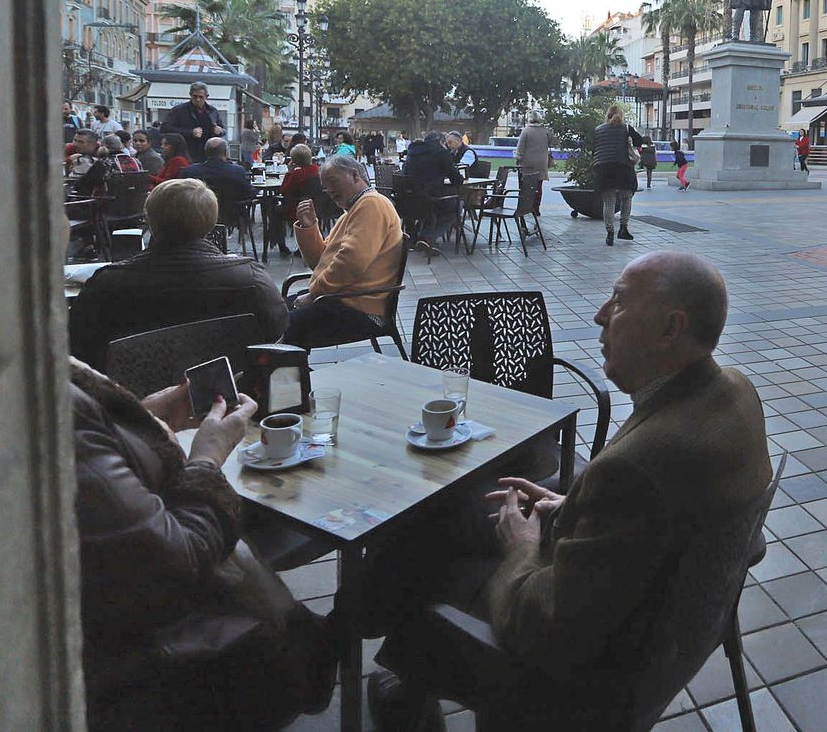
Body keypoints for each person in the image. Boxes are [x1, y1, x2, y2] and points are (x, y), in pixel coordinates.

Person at [368, 251, 770, 732]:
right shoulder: (733, 391)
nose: (600, 315)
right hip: (654, 623)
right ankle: (357, 631)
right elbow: (663, 522)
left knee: (423, 562)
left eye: (618, 301)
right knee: (455, 511)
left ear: (670, 329)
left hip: (589, 684)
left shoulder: (638, 466)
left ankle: (369, 655)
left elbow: (542, 631)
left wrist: (522, 547)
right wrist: (574, 508)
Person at [70, 358, 333, 730]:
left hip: (120, 621)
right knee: (306, 640)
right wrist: (208, 459)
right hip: (155, 664)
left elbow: (98, 475)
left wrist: (144, 423)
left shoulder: (39, 385)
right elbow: (179, 559)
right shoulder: (56, 407)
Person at [67, 179, 287, 368]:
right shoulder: (251, 279)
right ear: (211, 223)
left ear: (150, 221)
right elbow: (277, 333)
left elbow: (79, 350)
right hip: (232, 398)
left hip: (133, 407)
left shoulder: (106, 285)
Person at [285, 154, 405, 348]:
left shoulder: (372, 204)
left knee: (283, 323)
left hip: (362, 308)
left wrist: (315, 293)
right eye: (325, 185)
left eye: (333, 181)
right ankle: (291, 373)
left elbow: (351, 262)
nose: (329, 190)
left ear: (355, 175)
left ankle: (292, 374)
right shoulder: (352, 211)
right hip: (343, 298)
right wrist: (309, 227)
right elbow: (320, 261)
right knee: (274, 312)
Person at [403, 131, 463, 248]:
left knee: (429, 203)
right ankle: (427, 237)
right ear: (440, 142)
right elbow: (457, 179)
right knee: (456, 205)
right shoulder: (441, 153)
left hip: (407, 202)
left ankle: (413, 236)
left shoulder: (412, 152)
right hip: (431, 201)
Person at [180, 137, 256, 226]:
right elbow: (247, 193)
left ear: (205, 152)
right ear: (226, 152)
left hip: (199, 214)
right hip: (231, 215)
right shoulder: (237, 171)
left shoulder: (190, 171)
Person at [592, 104, 638, 244]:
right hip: (623, 167)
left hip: (603, 168)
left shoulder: (598, 129)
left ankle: (610, 233)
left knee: (609, 201)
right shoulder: (626, 128)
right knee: (627, 196)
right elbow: (640, 141)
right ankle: (623, 228)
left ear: (607, 115)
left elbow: (593, 148)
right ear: (621, 115)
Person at [164, 81, 226, 147]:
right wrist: (190, 132)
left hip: (208, 151)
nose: (198, 99)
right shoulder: (179, 110)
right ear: (190, 95)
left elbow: (222, 129)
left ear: (206, 96)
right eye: (195, 96)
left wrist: (220, 131)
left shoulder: (212, 111)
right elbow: (165, 128)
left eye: (201, 97)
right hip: (186, 151)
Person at [514, 113, 553, 213]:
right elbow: (554, 142)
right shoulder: (545, 131)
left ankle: (527, 207)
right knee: (539, 186)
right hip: (541, 162)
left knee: (526, 186)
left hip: (528, 163)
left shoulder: (526, 131)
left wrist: (518, 160)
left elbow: (520, 149)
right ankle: (536, 208)